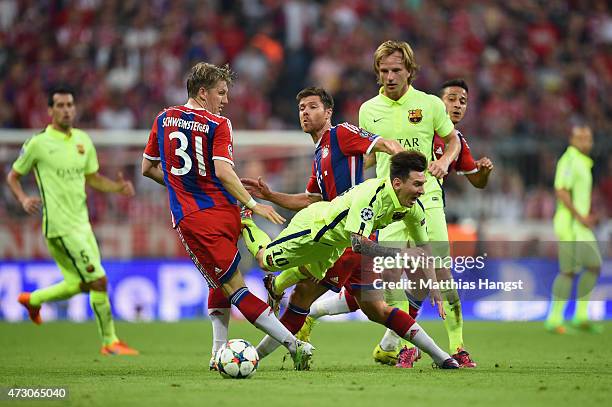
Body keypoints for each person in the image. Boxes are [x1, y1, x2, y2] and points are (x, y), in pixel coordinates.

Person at [140, 62, 314, 370]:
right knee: (221, 283)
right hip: (224, 211)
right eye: (221, 93)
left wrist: (183, 185)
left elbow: (148, 168)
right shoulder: (218, 124)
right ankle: (221, 354)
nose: (226, 100)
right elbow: (222, 170)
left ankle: (294, 345)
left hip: (195, 217)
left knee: (233, 286)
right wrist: (251, 203)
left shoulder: (164, 119)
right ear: (203, 93)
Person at [242, 151, 460, 369]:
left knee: (374, 309)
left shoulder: (412, 208)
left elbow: (423, 248)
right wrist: (401, 255)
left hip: (336, 248)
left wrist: (433, 286)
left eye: (423, 184)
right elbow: (359, 243)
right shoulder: (371, 197)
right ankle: (246, 221)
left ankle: (441, 357)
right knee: (264, 261)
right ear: (397, 183)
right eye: (417, 185)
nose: (422, 191)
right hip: (313, 230)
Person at [358, 41, 478, 368]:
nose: (390, 76)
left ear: (410, 71)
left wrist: (446, 161)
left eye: (396, 70)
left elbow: (453, 140)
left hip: (429, 199)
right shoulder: (368, 110)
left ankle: (457, 346)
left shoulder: (429, 105)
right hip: (388, 202)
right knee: (393, 277)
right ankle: (403, 345)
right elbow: (367, 159)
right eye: (384, 71)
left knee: (440, 274)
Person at [242, 87, 403, 311]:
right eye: (301, 108)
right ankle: (282, 299)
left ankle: (278, 293)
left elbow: (386, 144)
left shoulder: (341, 134)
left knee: (304, 295)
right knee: (374, 310)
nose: (305, 112)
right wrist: (270, 195)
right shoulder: (319, 155)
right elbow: (309, 201)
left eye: (312, 106)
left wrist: (407, 170)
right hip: (340, 237)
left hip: (352, 232)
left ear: (328, 112)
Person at [8, 86, 139, 355]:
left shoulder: (83, 140)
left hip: (83, 224)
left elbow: (92, 178)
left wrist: (117, 188)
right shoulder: (38, 143)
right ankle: (109, 342)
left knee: (81, 284)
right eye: (60, 105)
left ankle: (32, 300)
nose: (66, 110)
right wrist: (22, 199)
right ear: (50, 110)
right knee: (99, 281)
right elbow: (13, 176)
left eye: (70, 105)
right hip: (60, 227)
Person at [545, 125, 602, 334]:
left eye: (588, 138)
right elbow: (561, 190)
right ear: (572, 139)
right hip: (570, 223)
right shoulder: (569, 160)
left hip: (580, 224)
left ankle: (580, 316)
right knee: (568, 271)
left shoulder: (583, 162)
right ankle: (554, 319)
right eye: (581, 138)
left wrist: (587, 215)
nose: (586, 142)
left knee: (593, 266)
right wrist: (580, 216)